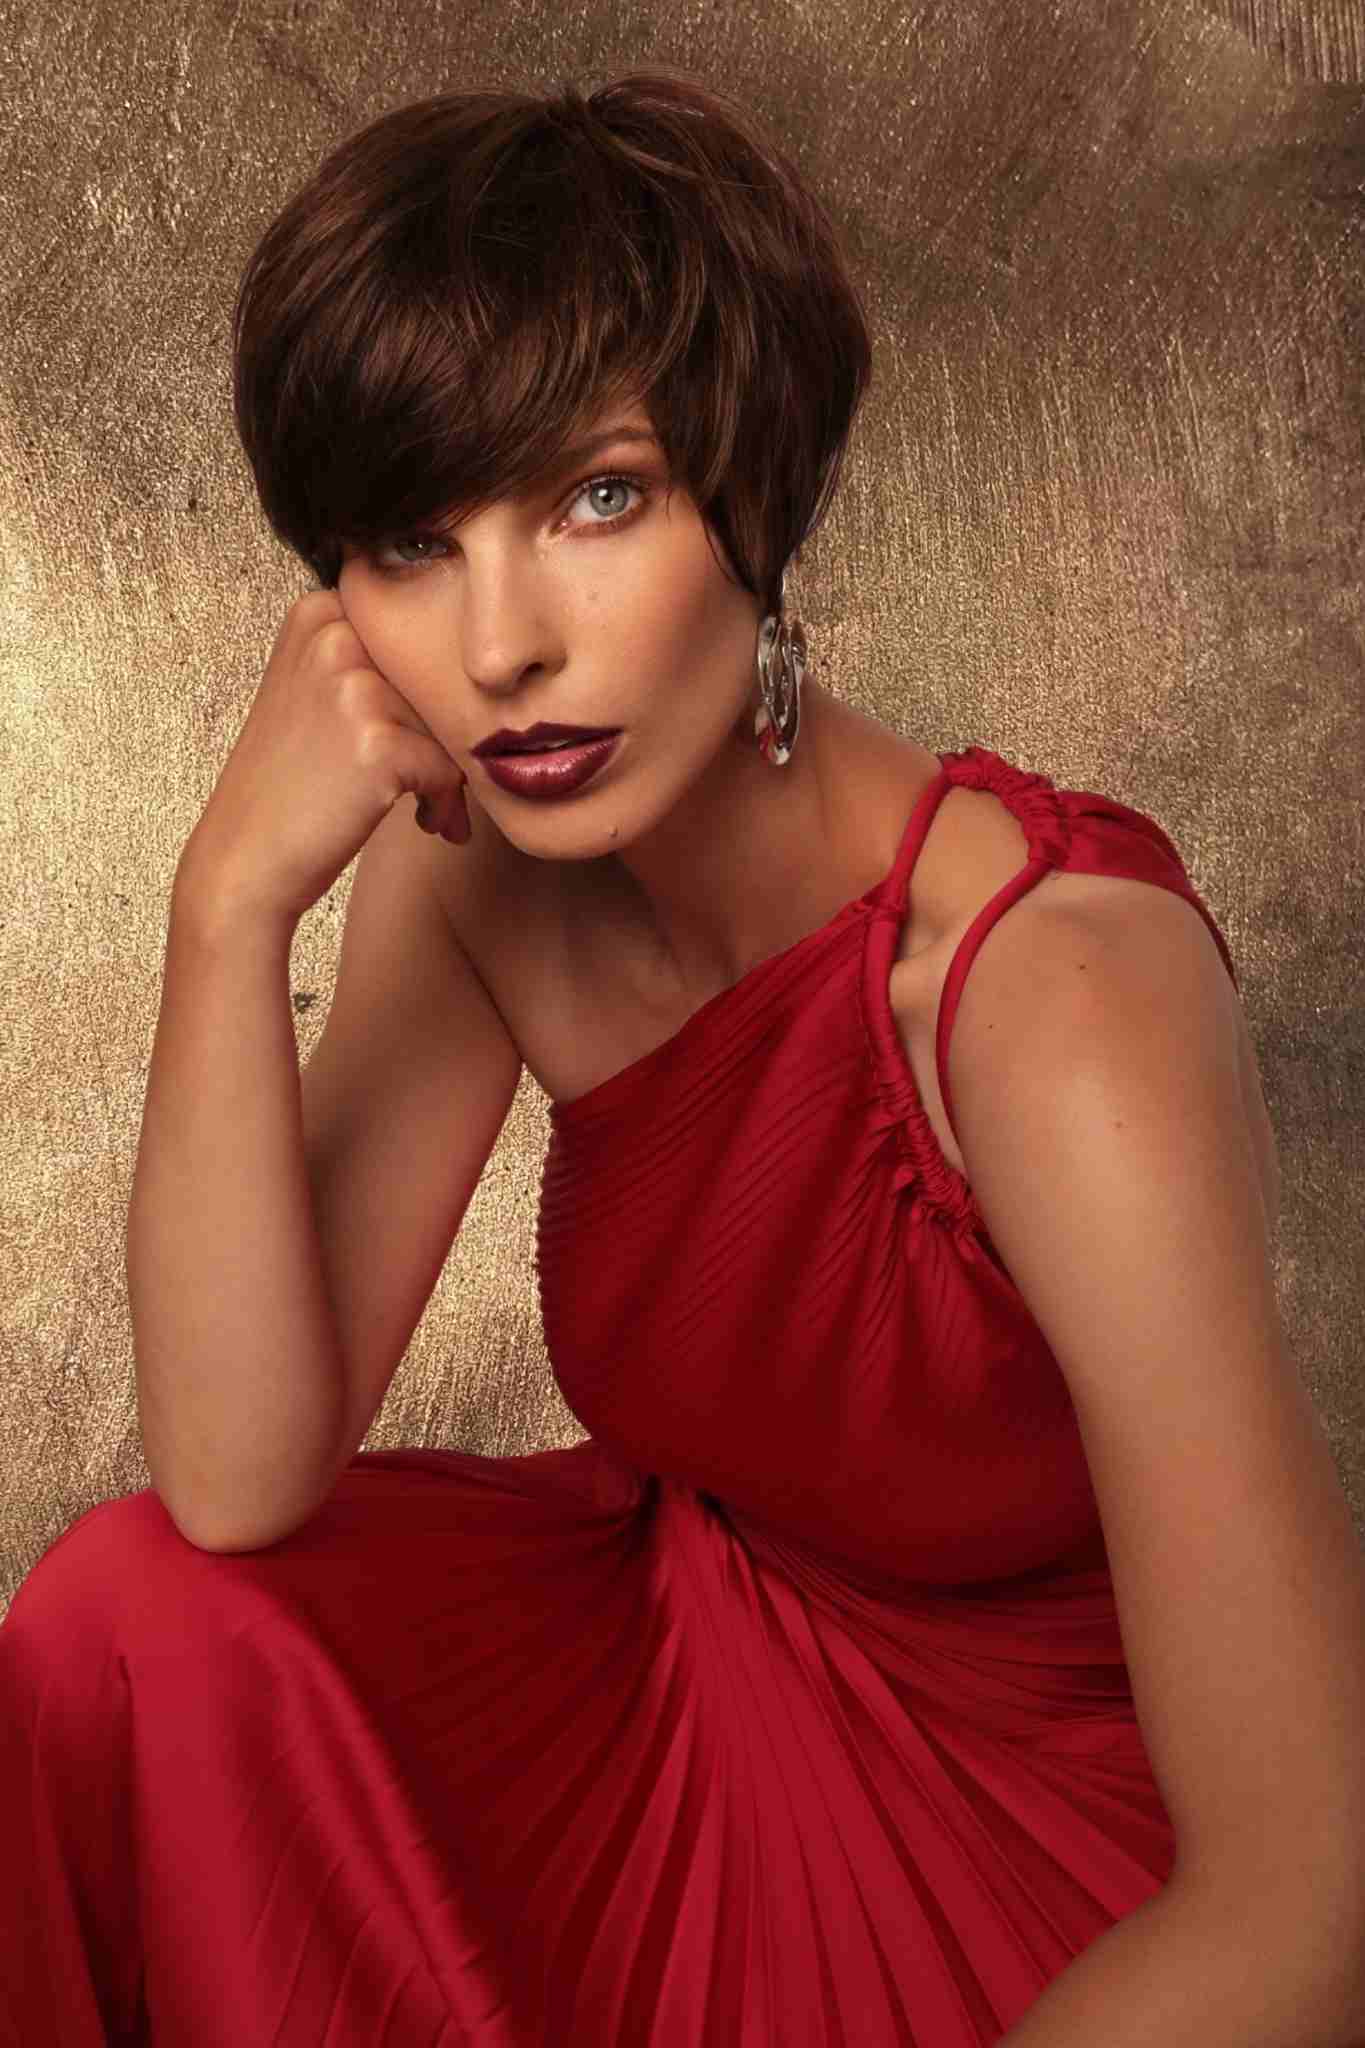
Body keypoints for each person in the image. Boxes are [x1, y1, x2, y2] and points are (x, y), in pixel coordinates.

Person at [4, 63, 1364, 2048]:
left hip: (1041, 1864)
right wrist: (226, 907)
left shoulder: (1045, 995)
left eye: (598, 497)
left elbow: (1312, 1896)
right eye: (412, 541)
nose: (499, 648)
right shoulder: (478, 880)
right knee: (134, 1621)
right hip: (680, 1715)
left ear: (758, 494)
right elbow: (233, 1478)